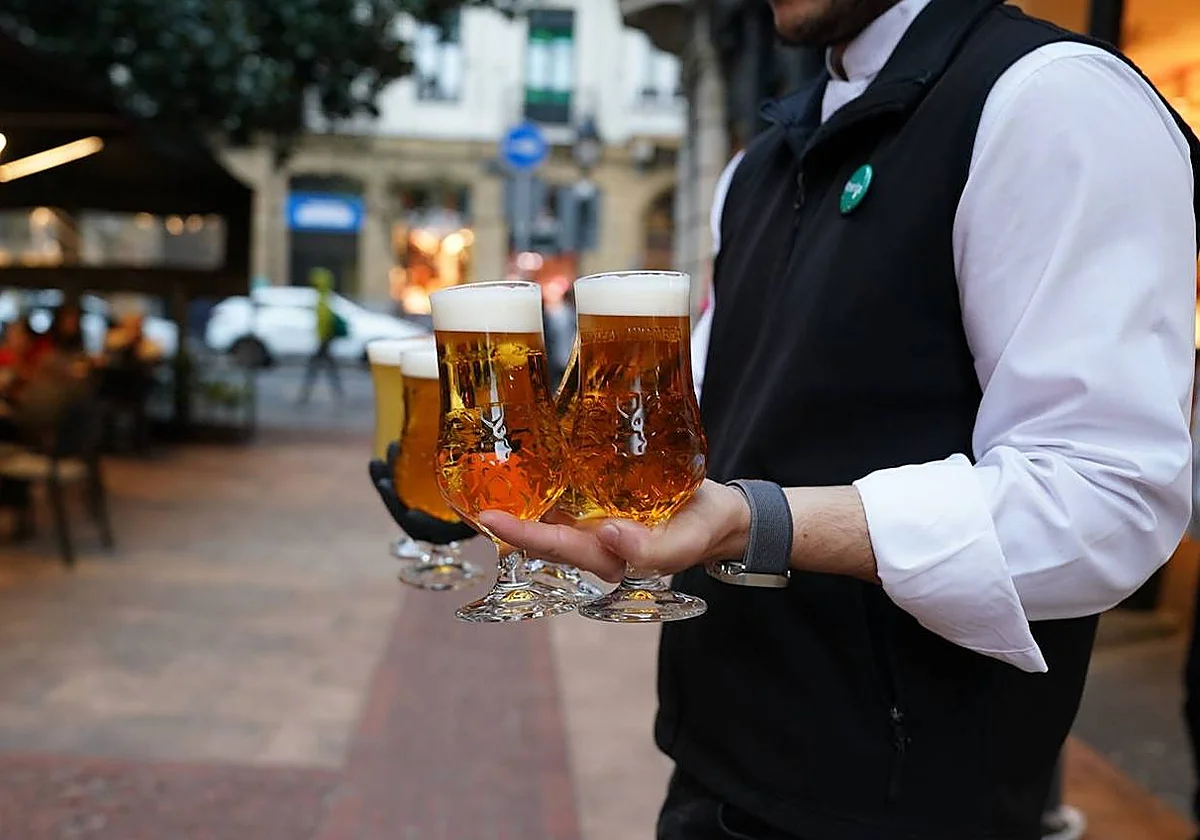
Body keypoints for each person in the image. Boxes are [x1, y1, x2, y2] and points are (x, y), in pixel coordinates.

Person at [480, 0, 1200, 838]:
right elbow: (707, 430)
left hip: (905, 809)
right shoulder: (759, 165)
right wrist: (513, 483)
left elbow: (1107, 501)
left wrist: (762, 524)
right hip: (713, 772)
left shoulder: (1055, 100)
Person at [298, 267, 344, 405]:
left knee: (315, 368)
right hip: (325, 340)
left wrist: (322, 337)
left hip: (324, 341)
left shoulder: (322, 299)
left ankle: (305, 394)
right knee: (327, 368)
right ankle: (337, 392)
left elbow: (325, 320)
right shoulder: (326, 297)